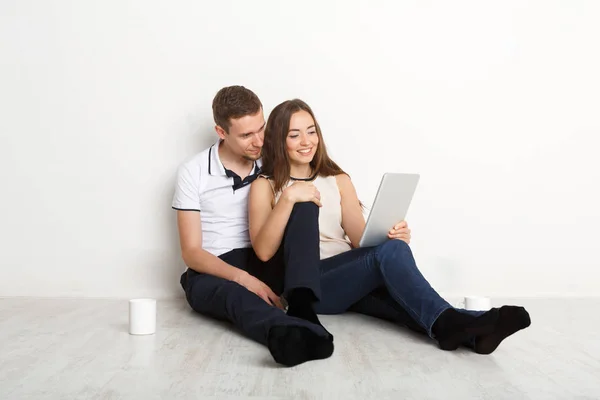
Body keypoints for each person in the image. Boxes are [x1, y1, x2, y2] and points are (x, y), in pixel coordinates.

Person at [248, 98, 531, 354]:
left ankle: (473, 333)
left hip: (349, 278)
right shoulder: (266, 185)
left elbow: (360, 242)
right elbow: (262, 251)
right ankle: (457, 322)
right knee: (391, 264)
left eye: (311, 131)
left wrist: (392, 237)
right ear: (278, 141)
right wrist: (288, 198)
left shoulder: (338, 179)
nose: (306, 141)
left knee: (402, 302)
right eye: (294, 135)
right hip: (312, 285)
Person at [172, 86, 336, 367]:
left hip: (266, 259)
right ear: (221, 132)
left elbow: (317, 176)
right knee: (232, 295)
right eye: (247, 135)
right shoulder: (193, 171)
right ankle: (288, 334)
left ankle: (303, 308)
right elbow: (191, 252)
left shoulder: (272, 160)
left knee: (301, 198)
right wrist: (242, 278)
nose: (259, 141)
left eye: (261, 128)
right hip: (214, 268)